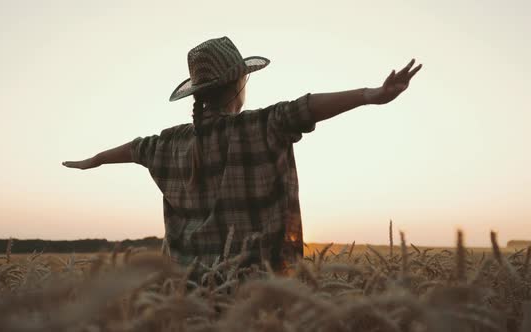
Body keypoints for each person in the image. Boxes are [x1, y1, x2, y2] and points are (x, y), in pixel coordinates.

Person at [62, 36, 422, 273]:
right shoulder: (259, 126)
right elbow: (306, 107)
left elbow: (134, 147)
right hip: (253, 291)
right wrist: (371, 94)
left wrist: (94, 159)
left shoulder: (169, 142)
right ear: (239, 82)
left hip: (185, 292)